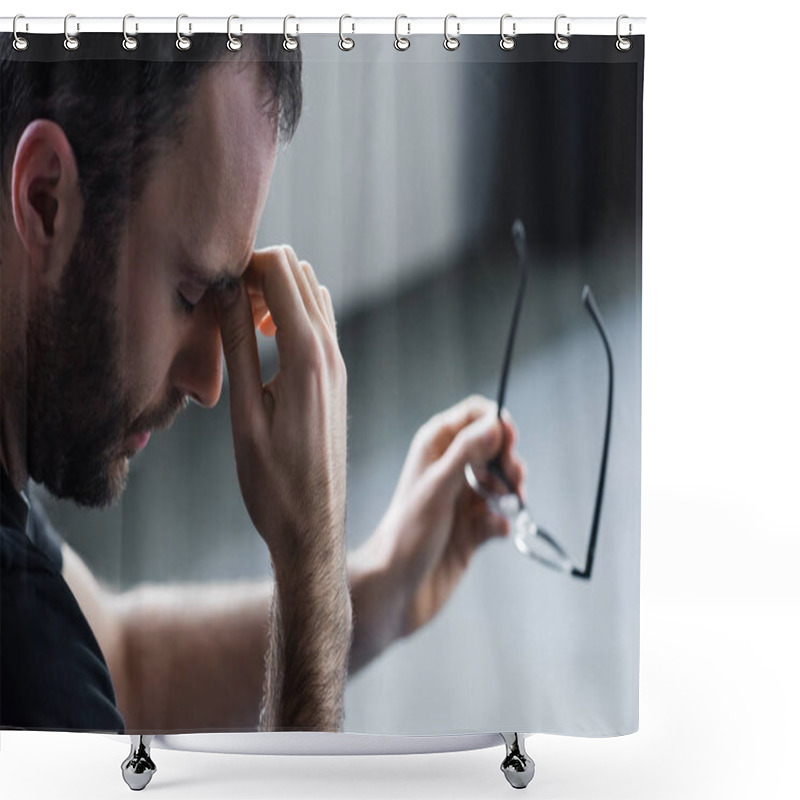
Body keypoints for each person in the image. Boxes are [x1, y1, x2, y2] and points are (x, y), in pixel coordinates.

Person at [0, 34, 525, 734]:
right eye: (190, 292)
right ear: (45, 200)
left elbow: (117, 657)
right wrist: (307, 584)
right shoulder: (23, 649)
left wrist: (372, 587)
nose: (211, 382)